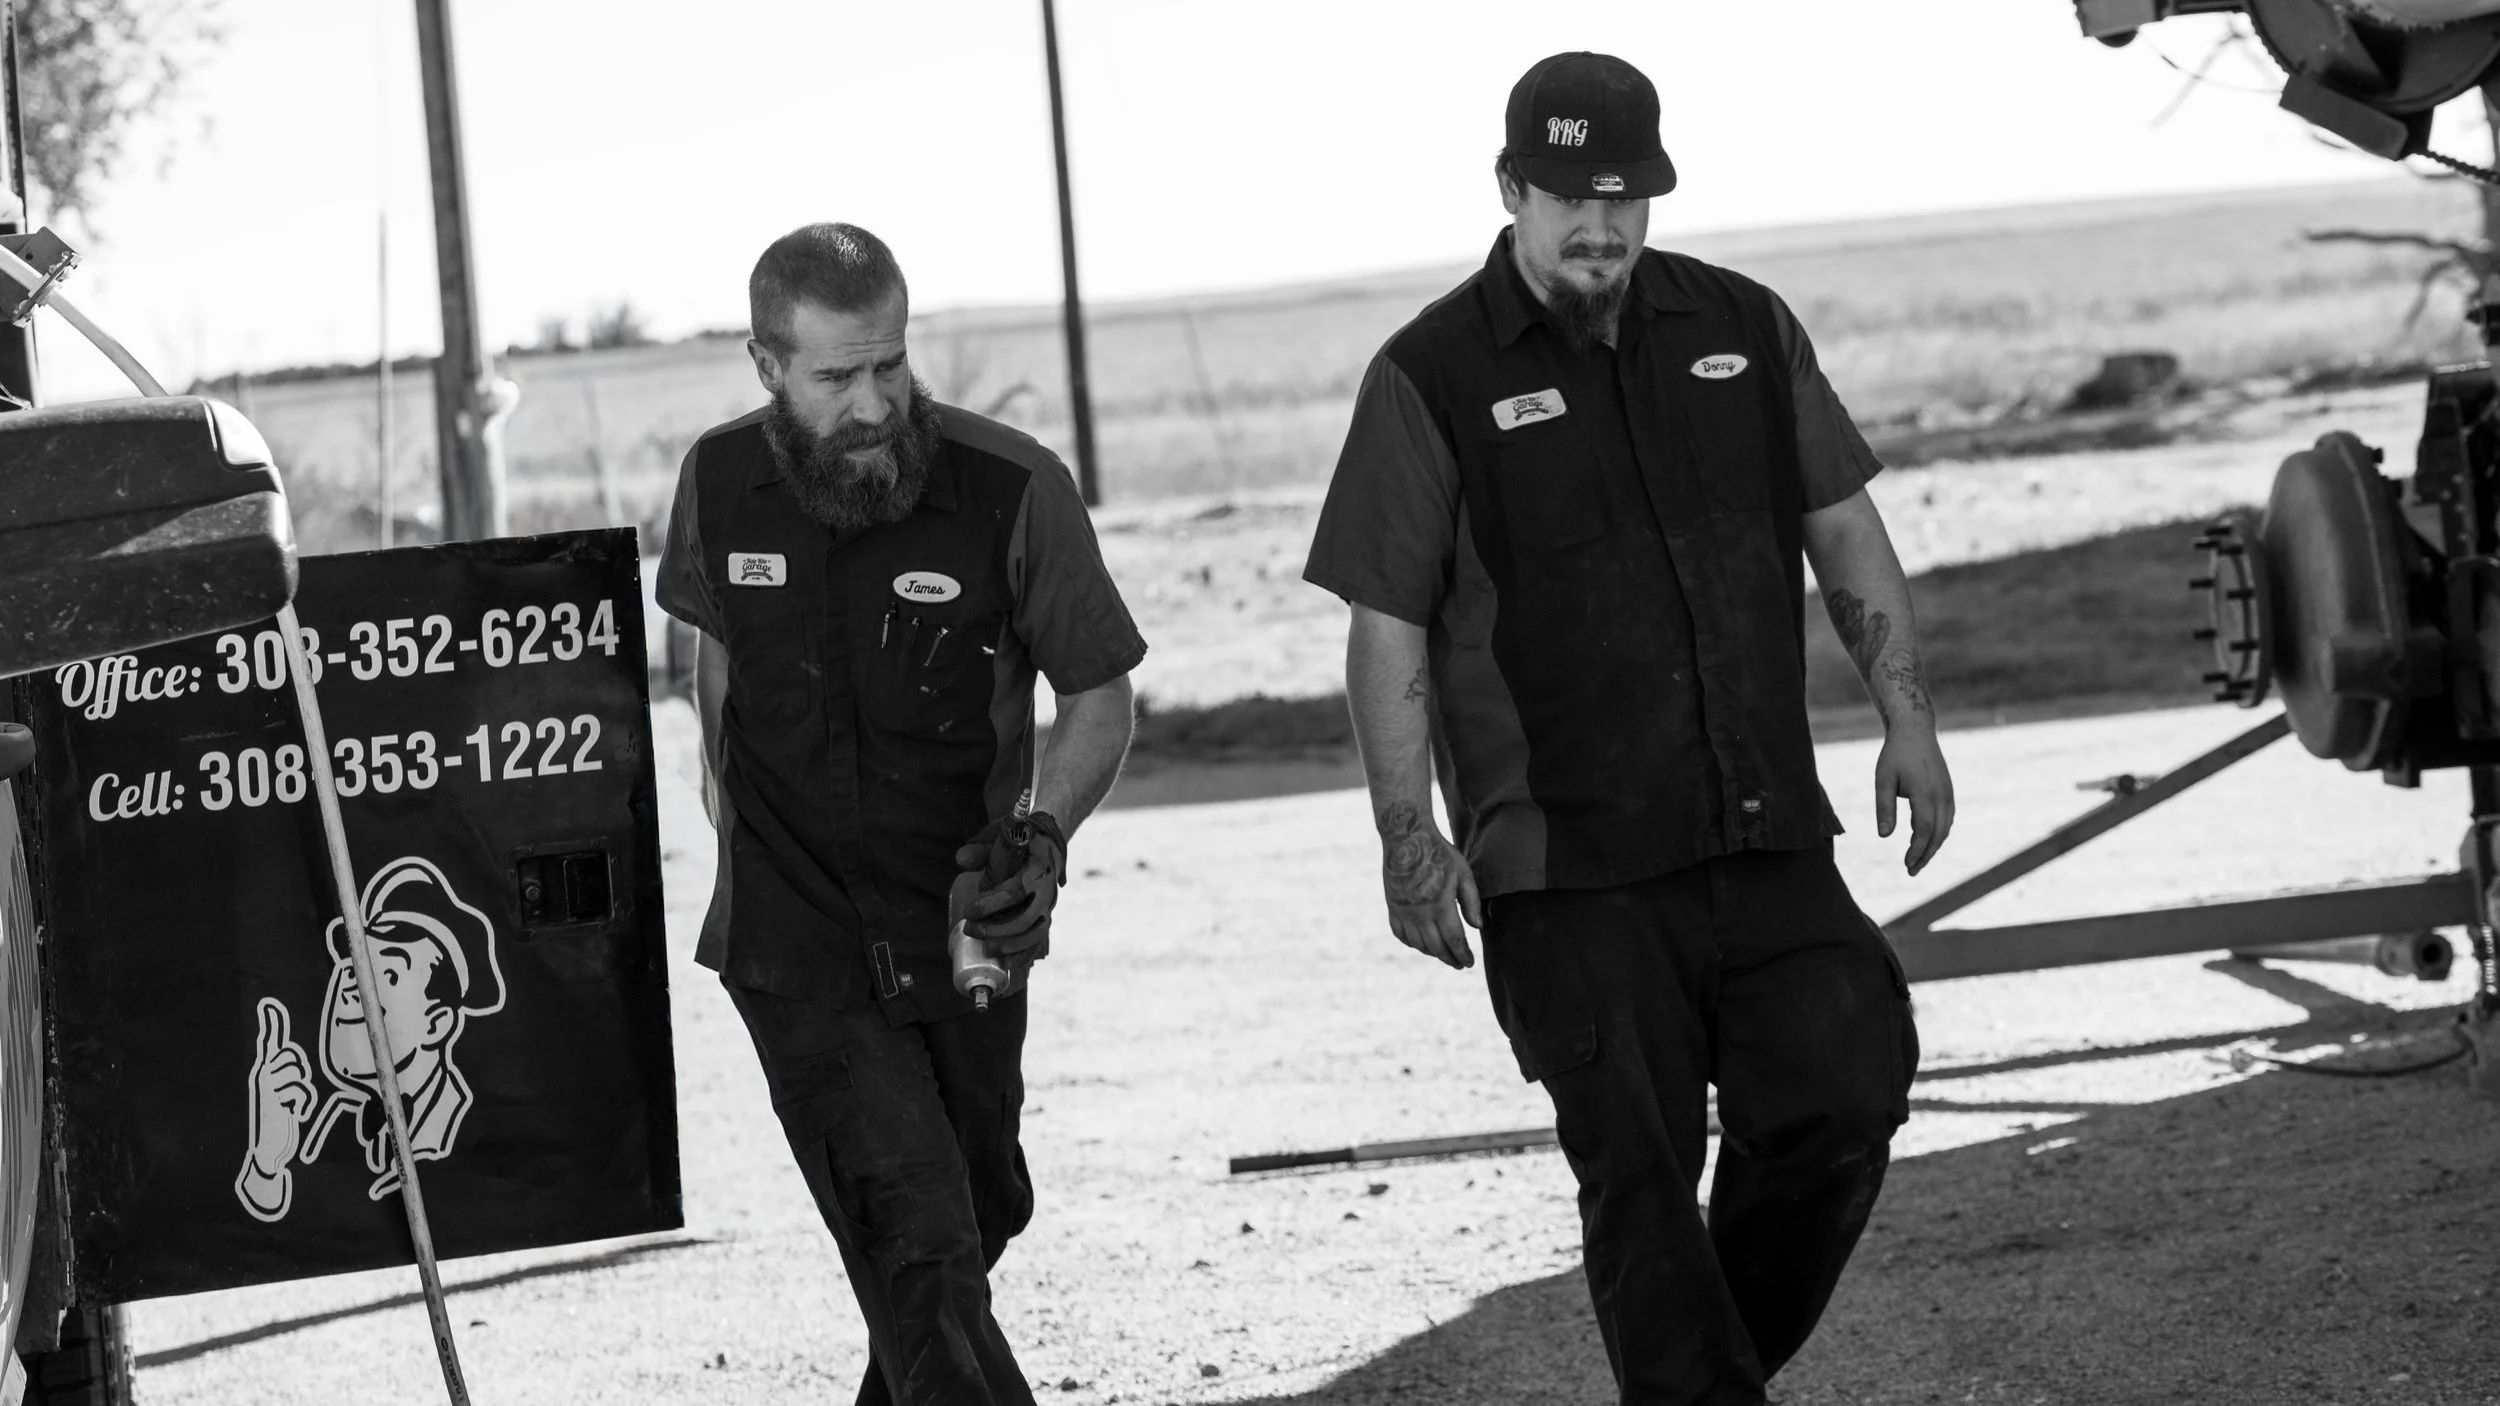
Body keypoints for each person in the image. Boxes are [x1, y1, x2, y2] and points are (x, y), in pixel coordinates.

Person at [1301, 52, 1955, 1405]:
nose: (1598, 229)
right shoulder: (1430, 374)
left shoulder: (1741, 327)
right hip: (1565, 870)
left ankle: (1698, 1383)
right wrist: (1404, 834)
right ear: (1511, 191)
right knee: (1641, 1174)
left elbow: (1845, 531)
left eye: (1625, 198)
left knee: (1845, 1088)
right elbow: (1388, 626)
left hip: (1760, 821)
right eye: (1567, 201)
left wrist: (1909, 720)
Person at [656, 222, 1144, 1405]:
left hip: (964, 926)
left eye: (889, 364)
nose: (873, 403)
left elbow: (1099, 695)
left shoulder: (1012, 485)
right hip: (796, 943)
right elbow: (705, 673)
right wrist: (748, 854)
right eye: (836, 377)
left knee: (972, 1215)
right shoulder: (718, 483)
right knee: (918, 1242)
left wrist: (1043, 834)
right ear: (766, 363)